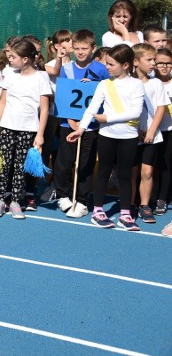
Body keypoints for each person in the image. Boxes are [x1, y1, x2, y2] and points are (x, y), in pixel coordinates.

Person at [67, 44, 144, 230]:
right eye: (107, 63)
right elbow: (92, 108)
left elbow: (135, 112)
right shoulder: (104, 84)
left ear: (126, 65)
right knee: (103, 172)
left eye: (111, 64)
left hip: (129, 136)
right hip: (107, 135)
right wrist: (81, 129)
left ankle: (125, 213)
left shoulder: (136, 84)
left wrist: (107, 117)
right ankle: (98, 211)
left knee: (125, 175)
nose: (107, 67)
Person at [0, 39, 52, 219]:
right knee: (5, 165)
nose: (10, 59)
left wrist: (40, 134)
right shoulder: (9, 74)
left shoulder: (41, 77)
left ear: (25, 59)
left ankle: (16, 201)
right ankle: (1, 200)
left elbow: (45, 108)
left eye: (14, 57)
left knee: (19, 167)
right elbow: (2, 102)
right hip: (7, 127)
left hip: (28, 130)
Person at [51, 29, 108, 218]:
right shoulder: (67, 69)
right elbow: (64, 96)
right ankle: (63, 195)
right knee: (64, 163)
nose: (81, 52)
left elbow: (107, 94)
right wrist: (70, 120)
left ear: (93, 48)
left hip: (91, 126)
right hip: (69, 125)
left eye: (85, 48)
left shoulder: (101, 70)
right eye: (77, 48)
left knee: (85, 163)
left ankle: (82, 199)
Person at [131, 43, 169, 224]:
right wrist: (135, 129)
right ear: (136, 62)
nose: (154, 63)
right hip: (131, 135)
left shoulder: (156, 83)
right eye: (150, 60)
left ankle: (144, 205)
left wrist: (152, 130)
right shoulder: (128, 83)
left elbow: (161, 108)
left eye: (155, 59)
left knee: (147, 171)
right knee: (131, 172)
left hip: (152, 136)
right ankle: (129, 204)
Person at [151, 48, 172, 214]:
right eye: (160, 63)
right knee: (148, 166)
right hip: (150, 130)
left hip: (169, 130)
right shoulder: (149, 82)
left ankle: (162, 198)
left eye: (168, 63)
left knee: (165, 165)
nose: (164, 66)